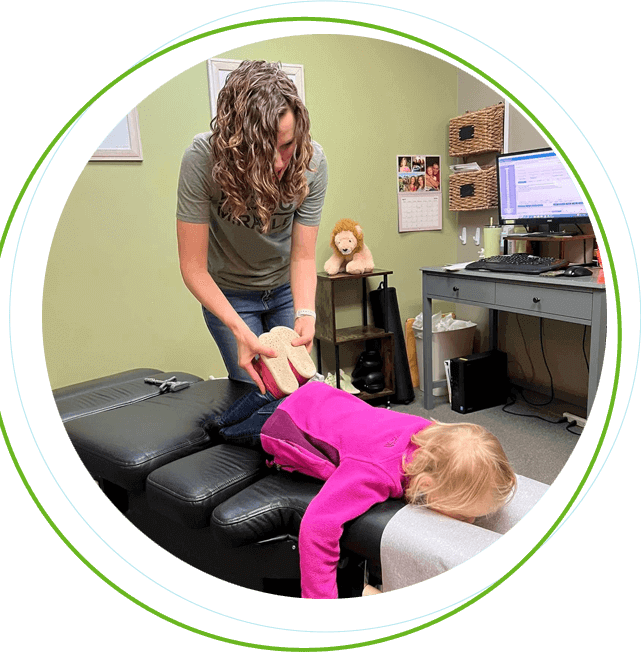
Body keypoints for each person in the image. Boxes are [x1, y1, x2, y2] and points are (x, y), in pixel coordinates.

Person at [206, 357, 517, 600]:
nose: (472, 521)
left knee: (280, 404)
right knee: (225, 431)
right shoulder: (374, 471)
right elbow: (318, 526)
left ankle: (274, 390)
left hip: (323, 397)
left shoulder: (426, 432)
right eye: (466, 514)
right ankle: (234, 412)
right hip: (285, 421)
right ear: (426, 487)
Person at [176, 60, 328, 393]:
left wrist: (306, 312)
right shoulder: (202, 159)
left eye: (286, 145)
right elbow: (192, 268)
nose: (277, 163)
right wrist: (237, 329)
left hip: (285, 289)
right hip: (231, 296)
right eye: (261, 150)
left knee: (299, 392)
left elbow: (303, 256)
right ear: (234, 142)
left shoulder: (313, 163)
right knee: (259, 393)